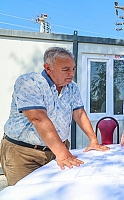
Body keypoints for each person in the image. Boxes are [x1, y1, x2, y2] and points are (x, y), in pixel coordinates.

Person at [0, 47, 109, 186]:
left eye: (73, 69)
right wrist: (63, 154)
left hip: (56, 151)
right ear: (48, 68)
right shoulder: (29, 82)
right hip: (24, 154)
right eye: (66, 69)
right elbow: (38, 118)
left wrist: (93, 140)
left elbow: (79, 113)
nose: (71, 73)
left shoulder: (72, 87)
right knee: (26, 194)